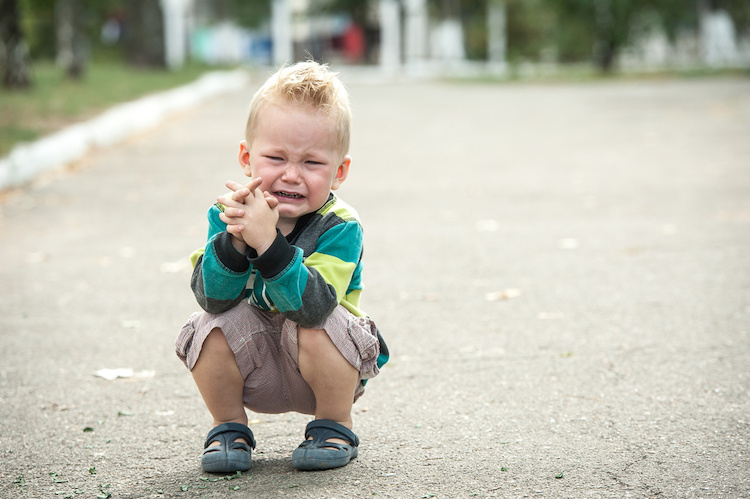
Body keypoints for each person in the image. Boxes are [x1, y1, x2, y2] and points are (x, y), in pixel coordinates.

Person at [175, 61, 388, 473]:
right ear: (246, 157)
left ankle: (334, 425)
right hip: (256, 364)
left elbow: (313, 306)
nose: (291, 174)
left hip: (324, 371)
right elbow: (212, 298)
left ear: (339, 172)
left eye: (312, 163)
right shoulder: (227, 216)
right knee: (206, 324)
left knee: (321, 322)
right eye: (275, 157)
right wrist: (238, 239)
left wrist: (269, 243)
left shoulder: (340, 226)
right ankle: (228, 428)